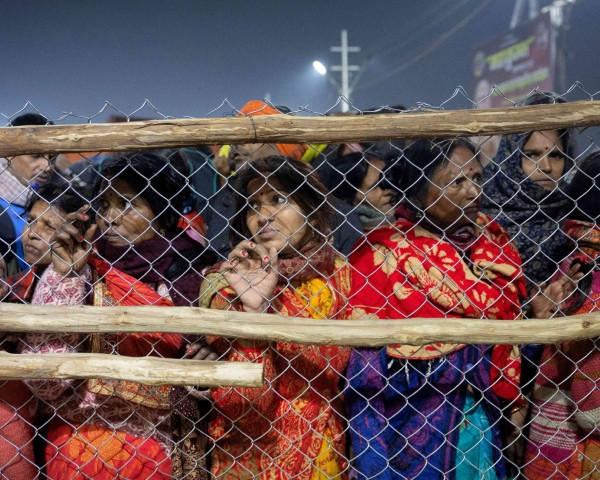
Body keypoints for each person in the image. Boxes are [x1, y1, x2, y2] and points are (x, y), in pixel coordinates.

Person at [19, 152, 216, 479]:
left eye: (127, 204)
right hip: (78, 433)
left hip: (162, 437)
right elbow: (46, 380)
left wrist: (206, 362)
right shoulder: (79, 264)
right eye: (106, 204)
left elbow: (209, 360)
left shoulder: (193, 273)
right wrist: (64, 276)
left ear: (163, 214)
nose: (110, 217)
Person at [345, 138, 527, 479]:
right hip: (406, 422)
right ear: (415, 192)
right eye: (457, 181)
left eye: (476, 179)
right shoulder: (381, 256)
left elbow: (513, 334)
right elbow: (364, 370)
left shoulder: (492, 246)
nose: (473, 192)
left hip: (478, 419)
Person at [198, 156, 352, 479]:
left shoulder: (342, 276)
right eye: (253, 205)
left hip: (325, 457)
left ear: (311, 207)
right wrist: (255, 314)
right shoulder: (226, 285)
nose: (262, 216)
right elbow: (242, 404)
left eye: (278, 199)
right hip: (252, 460)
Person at [523, 151, 600, 479]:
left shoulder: (573, 261)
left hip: (553, 435)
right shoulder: (587, 273)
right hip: (582, 443)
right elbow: (592, 413)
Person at [481, 92, 576, 291]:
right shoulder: (480, 210)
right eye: (532, 155)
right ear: (511, 157)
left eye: (557, 155)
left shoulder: (574, 210)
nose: (546, 166)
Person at [0, 113, 55, 274]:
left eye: (51, 158)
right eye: (36, 155)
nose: (47, 167)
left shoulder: (55, 202)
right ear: (9, 152)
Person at [318, 151, 396, 232]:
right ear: (349, 198)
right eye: (375, 186)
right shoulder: (351, 236)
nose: (388, 190)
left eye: (388, 180)